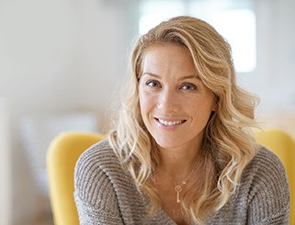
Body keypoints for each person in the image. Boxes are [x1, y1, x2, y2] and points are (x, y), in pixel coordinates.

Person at [74, 16, 290, 225]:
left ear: (218, 97)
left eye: (188, 86)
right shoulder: (101, 170)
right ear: (138, 88)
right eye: (153, 84)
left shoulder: (259, 173)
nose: (166, 105)